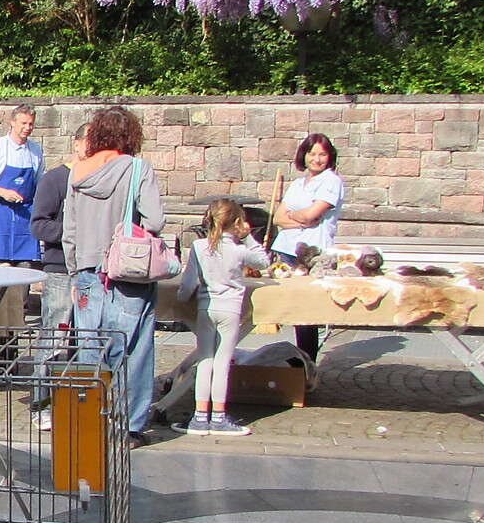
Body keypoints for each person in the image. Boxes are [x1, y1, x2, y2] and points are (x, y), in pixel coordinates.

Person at [62, 106, 166, 444]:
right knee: (133, 351)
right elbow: (154, 221)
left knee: (91, 351)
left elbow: (70, 230)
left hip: (87, 274)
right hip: (128, 274)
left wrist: (75, 269)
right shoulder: (138, 169)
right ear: (130, 136)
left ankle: (90, 422)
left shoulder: (77, 172)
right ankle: (128, 428)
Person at [177, 199, 273, 437]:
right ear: (238, 223)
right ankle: (218, 416)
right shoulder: (239, 249)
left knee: (205, 360)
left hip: (206, 307)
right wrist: (249, 237)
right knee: (222, 363)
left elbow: (188, 283)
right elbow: (264, 262)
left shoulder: (199, 247)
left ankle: (199, 416)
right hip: (230, 308)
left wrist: (182, 298)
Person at [27, 123, 88, 432]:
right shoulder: (54, 180)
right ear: (75, 144)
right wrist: (74, 233)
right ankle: (40, 403)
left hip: (92, 273)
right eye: (88, 143)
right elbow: (38, 225)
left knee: (86, 339)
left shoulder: (99, 180)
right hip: (60, 270)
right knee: (54, 335)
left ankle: (78, 401)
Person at [271, 133, 346, 363]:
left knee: (306, 311)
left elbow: (313, 213)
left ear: (330, 156)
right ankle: (297, 358)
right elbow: (277, 218)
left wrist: (296, 217)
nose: (317, 159)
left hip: (312, 254)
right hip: (286, 250)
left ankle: (307, 361)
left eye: (322, 154)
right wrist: (298, 218)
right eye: (312, 153)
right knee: (292, 309)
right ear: (303, 156)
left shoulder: (331, 181)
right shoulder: (297, 184)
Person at [0, 103, 43, 266]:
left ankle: (22, 292)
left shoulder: (35, 150)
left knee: (26, 264)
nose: (27, 127)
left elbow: (40, 181)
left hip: (26, 214)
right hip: (0, 213)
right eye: (23, 123)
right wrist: (3, 192)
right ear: (13, 122)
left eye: (31, 124)